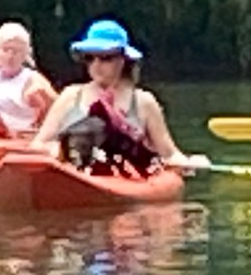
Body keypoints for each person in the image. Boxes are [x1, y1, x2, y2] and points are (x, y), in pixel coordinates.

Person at [31, 19, 204, 174]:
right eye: (90, 58)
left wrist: (188, 162)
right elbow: (39, 144)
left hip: (126, 176)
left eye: (105, 58)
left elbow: (169, 153)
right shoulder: (70, 95)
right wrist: (56, 150)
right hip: (74, 174)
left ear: (123, 60)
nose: (96, 65)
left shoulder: (144, 102)